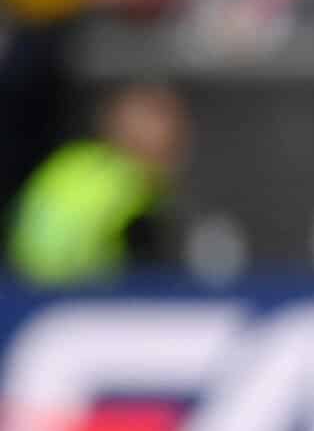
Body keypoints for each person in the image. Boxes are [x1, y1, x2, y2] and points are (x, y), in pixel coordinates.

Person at [7, 82, 188, 285]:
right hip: (85, 291)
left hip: (28, 286)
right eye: (170, 127)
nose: (180, 140)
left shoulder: (69, 161)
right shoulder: (130, 187)